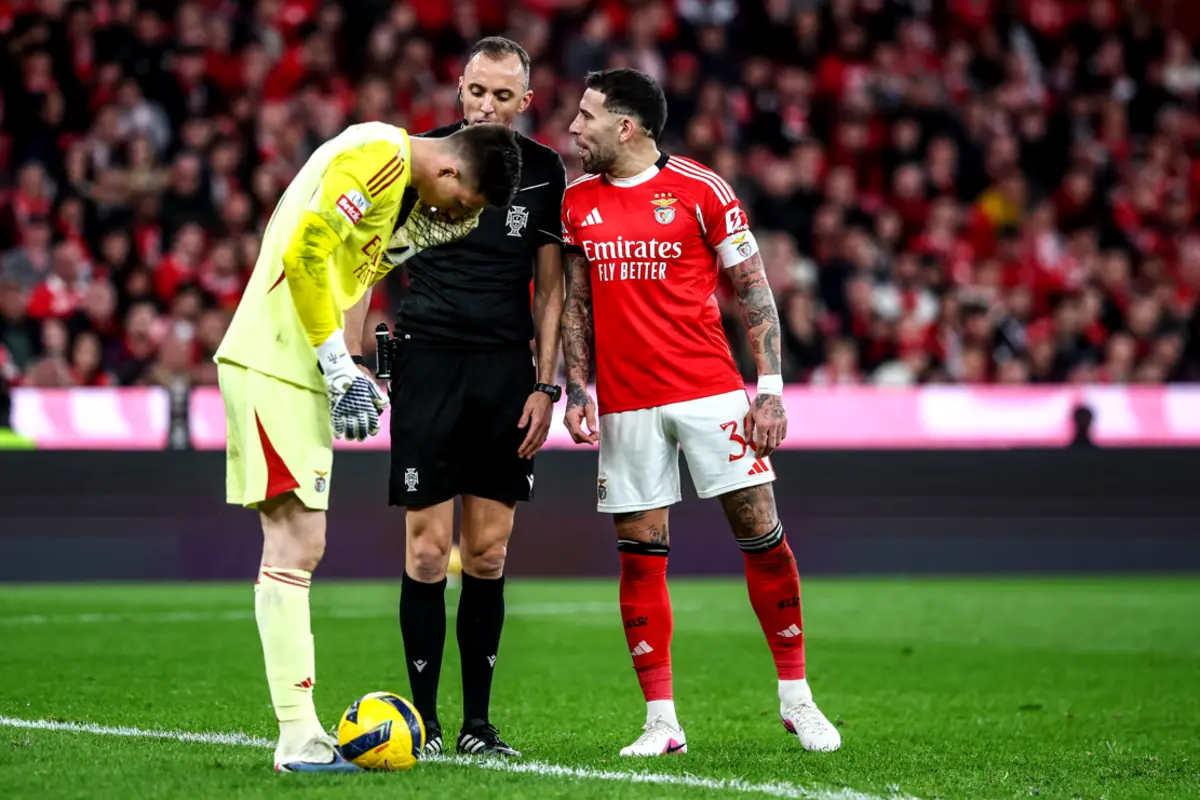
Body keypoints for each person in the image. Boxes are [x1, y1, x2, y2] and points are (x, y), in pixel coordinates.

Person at [214, 119, 522, 772]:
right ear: (449, 172)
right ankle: (297, 735)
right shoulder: (378, 157)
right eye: (462, 204)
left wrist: (350, 367)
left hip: (294, 369)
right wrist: (336, 367)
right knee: (295, 545)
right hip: (275, 362)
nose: (455, 217)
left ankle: (302, 733)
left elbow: (347, 271)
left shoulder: (394, 195)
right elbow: (304, 255)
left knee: (301, 544)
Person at [559, 69, 841, 757]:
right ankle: (661, 721)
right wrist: (576, 390)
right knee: (639, 556)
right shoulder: (576, 205)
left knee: (762, 532)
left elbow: (754, 289)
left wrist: (769, 388)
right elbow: (575, 303)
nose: (573, 128)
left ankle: (797, 699)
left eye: (586, 116)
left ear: (626, 127)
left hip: (711, 393)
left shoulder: (701, 189)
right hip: (626, 405)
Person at [386, 36, 567, 759]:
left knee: (487, 556)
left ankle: (477, 726)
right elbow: (371, 252)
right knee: (428, 553)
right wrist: (366, 333)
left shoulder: (546, 173)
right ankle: (424, 723)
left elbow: (552, 289)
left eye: (501, 95)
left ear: (526, 102)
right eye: (475, 92)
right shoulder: (420, 159)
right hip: (426, 364)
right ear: (458, 91)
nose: (485, 106)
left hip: (502, 374)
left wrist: (546, 384)